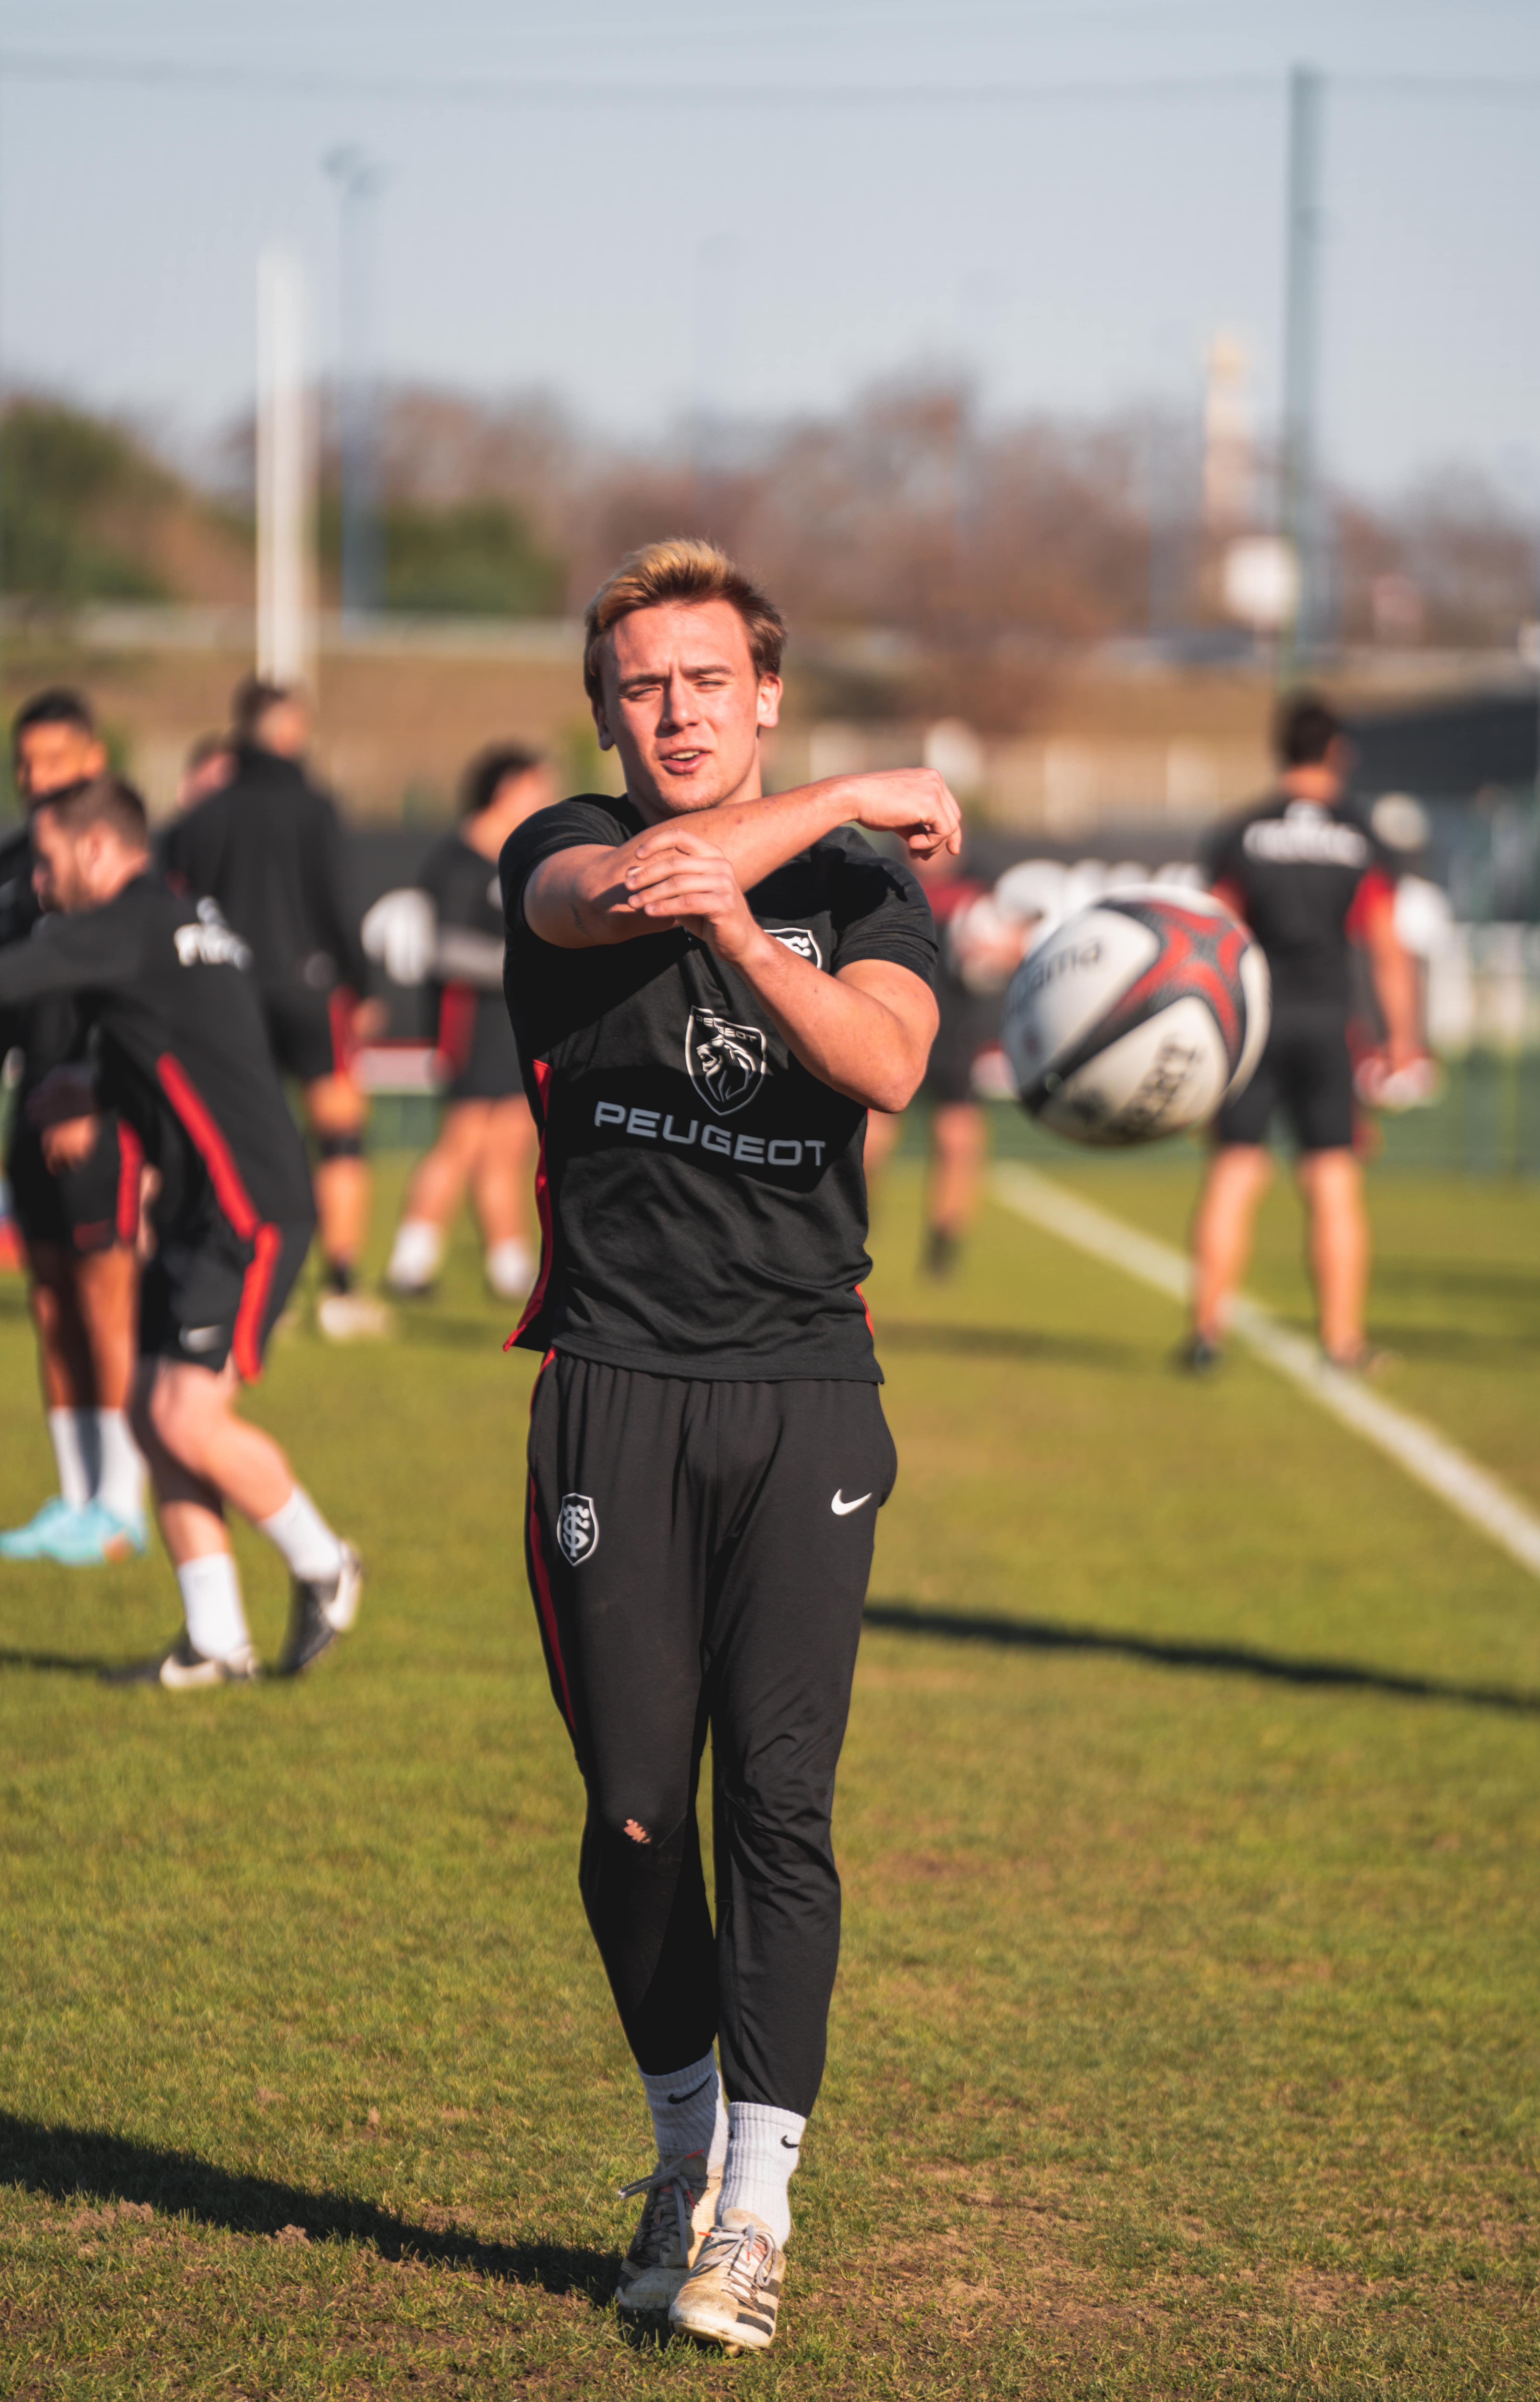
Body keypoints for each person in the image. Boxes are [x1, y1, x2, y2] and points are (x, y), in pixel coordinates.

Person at [501, 537, 955, 2352]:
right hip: (612, 1383)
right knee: (628, 1814)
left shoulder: (862, 893)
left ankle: (755, 2205)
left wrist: (753, 938)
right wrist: (845, 786)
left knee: (779, 1803)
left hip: (803, 1395)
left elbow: (889, 1066)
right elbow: (633, 885)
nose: (674, 712)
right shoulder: (549, 855)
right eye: (641, 686)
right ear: (604, 710)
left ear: (761, 690)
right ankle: (681, 2142)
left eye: (708, 681)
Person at [0, 775, 362, 1684]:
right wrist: (98, 1088)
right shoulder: (173, 920)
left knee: (184, 1417)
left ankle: (325, 1563)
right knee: (151, 1416)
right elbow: (188, 1044)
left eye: (45, 862)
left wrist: (88, 1085)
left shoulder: (125, 924)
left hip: (248, 1208)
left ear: (94, 849)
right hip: (201, 1210)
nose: (37, 883)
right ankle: (214, 1642)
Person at [1186, 692, 1424, 1371]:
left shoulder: (1241, 830)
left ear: (1279, 749)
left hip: (1253, 1024)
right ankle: (1342, 1340)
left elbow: (1211, 936)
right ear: (1336, 753)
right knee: (1331, 1180)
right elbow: (1384, 946)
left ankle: (1205, 1334)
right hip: (1327, 1024)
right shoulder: (1359, 835)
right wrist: (1401, 1038)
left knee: (1234, 1172)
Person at [163, 676, 390, 1340]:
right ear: (288, 730)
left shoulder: (202, 816)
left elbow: (181, 908)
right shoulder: (314, 809)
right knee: (341, 1134)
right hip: (310, 989)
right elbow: (338, 903)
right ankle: (341, 1288)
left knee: (242, 1142)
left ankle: (261, 1281)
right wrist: (363, 985)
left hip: (228, 994)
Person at [0, 690, 148, 1564]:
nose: (35, 779)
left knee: (106, 1301)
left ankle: (123, 1507)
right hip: (30, 1112)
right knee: (50, 1300)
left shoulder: (124, 871)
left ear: (92, 762)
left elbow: (139, 1000)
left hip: (101, 1113)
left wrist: (92, 1089)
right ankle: (74, 1497)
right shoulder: (17, 868)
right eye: (24, 764)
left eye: (53, 762)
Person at [386, 745, 555, 1302]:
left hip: (516, 1021)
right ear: (506, 787)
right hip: (469, 1020)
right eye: (536, 784)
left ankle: (510, 1270)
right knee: (460, 1141)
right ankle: (411, 1262)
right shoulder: (457, 859)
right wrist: (523, 963)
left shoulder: (522, 854)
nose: (544, 795)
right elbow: (447, 949)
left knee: (507, 1147)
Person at [862, 848, 1026, 1275]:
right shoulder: (884, 874)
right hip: (893, 1022)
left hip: (954, 1033)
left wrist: (996, 950)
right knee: (869, 1140)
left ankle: (944, 1244)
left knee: (957, 1142)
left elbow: (1014, 942)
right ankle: (858, 1217)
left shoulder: (978, 882)